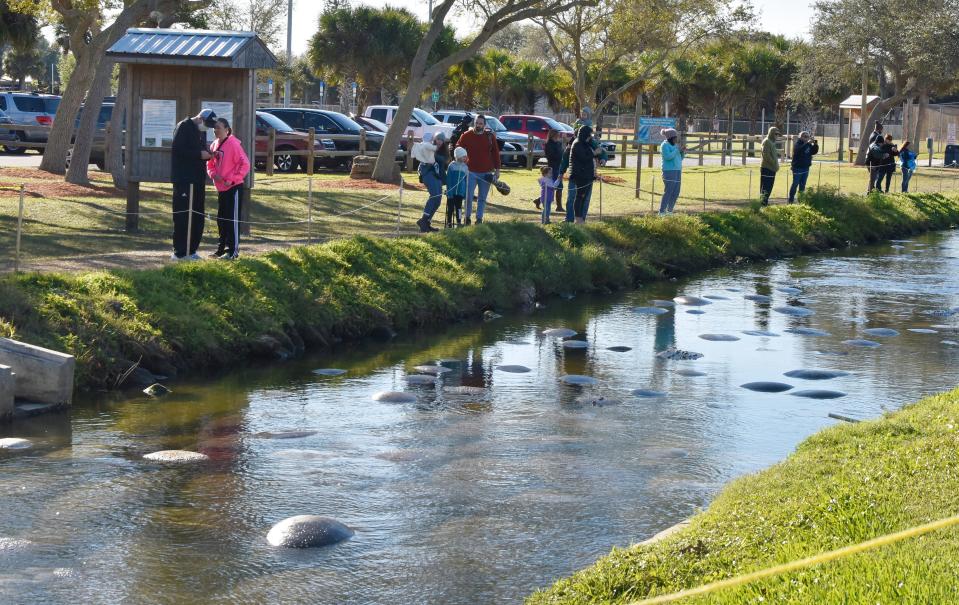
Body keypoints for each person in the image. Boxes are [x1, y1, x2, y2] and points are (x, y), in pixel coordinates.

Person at [171, 108, 216, 260]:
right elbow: (177, 150)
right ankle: (180, 252)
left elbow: (201, 149)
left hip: (197, 179)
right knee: (183, 215)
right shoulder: (183, 126)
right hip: (184, 179)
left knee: (197, 215)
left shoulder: (201, 131)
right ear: (200, 118)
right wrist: (198, 154)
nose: (207, 128)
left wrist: (208, 154)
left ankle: (191, 250)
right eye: (207, 124)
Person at [206, 117, 250, 259]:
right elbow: (210, 164)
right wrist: (214, 175)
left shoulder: (233, 144)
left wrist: (231, 180)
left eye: (218, 127)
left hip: (233, 187)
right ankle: (221, 249)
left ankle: (233, 251)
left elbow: (245, 164)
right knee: (222, 219)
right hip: (221, 188)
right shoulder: (214, 145)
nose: (215, 130)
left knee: (232, 219)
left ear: (227, 129)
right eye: (214, 127)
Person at [455, 114, 501, 225]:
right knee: (468, 196)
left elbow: (496, 153)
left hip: (486, 172)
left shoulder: (490, 136)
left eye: (481, 123)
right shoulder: (466, 135)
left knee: (482, 198)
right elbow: (458, 147)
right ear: (474, 123)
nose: (478, 125)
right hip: (470, 171)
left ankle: (479, 219)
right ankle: (467, 218)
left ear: (484, 125)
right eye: (477, 123)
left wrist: (498, 169)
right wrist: (460, 157)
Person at [413, 131, 449, 232]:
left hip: (437, 177)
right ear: (434, 139)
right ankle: (423, 221)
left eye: (441, 139)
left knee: (437, 201)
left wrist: (445, 181)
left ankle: (427, 222)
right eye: (438, 139)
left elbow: (442, 163)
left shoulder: (444, 151)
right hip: (428, 174)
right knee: (434, 196)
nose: (439, 141)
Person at [568, 125, 596, 224]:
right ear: (585, 135)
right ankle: (578, 218)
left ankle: (581, 219)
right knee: (579, 196)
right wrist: (594, 153)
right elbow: (583, 158)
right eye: (589, 135)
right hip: (580, 175)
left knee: (583, 197)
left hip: (586, 175)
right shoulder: (577, 144)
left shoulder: (585, 143)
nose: (590, 137)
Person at [658, 128, 685, 214]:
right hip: (669, 171)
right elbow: (668, 157)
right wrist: (677, 150)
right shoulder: (664, 145)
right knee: (669, 191)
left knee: (676, 192)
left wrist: (682, 152)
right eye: (675, 137)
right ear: (670, 138)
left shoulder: (675, 146)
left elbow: (680, 159)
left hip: (677, 170)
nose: (677, 139)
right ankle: (662, 211)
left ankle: (669, 211)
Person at [788, 131, 819, 203]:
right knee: (795, 184)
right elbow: (799, 150)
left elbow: (813, 151)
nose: (806, 138)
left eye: (807, 137)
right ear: (800, 137)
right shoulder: (797, 144)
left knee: (802, 185)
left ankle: (800, 200)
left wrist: (815, 144)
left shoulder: (808, 144)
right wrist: (807, 142)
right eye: (805, 136)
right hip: (797, 168)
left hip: (806, 168)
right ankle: (791, 200)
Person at [446, 146, 469, 228]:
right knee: (451, 208)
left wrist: (465, 192)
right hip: (452, 192)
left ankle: (459, 222)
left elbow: (466, 181)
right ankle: (449, 222)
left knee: (459, 208)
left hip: (460, 192)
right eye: (463, 156)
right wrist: (449, 191)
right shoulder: (451, 166)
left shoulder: (465, 167)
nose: (465, 158)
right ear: (458, 156)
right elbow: (448, 179)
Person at [544, 128, 565, 213]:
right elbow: (551, 156)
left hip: (559, 167)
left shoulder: (558, 143)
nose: (559, 136)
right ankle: (559, 206)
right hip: (552, 167)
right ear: (553, 135)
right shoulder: (549, 144)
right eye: (557, 134)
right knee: (554, 187)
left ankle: (559, 206)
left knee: (557, 187)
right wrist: (559, 155)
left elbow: (561, 153)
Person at [760, 126, 781, 205]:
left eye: (778, 134)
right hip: (767, 168)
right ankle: (763, 203)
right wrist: (774, 164)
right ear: (771, 133)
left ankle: (765, 202)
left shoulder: (772, 142)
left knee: (769, 187)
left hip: (772, 169)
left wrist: (775, 166)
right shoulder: (767, 142)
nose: (777, 135)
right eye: (775, 134)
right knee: (766, 187)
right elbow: (766, 156)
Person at [866, 121, 886, 192]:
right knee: (873, 177)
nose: (882, 131)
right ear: (879, 129)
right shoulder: (875, 136)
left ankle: (872, 190)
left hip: (873, 160)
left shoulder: (873, 134)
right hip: (873, 161)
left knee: (873, 177)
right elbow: (875, 149)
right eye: (881, 130)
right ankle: (870, 191)